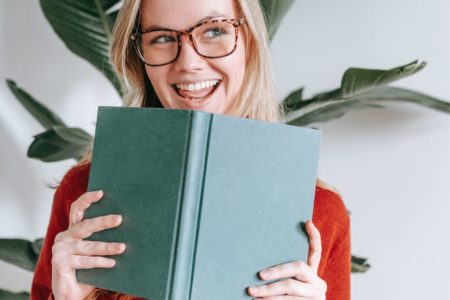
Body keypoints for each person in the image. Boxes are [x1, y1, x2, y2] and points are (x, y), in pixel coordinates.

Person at [31, 0, 351, 299]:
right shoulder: (85, 193)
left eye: (214, 31)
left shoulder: (320, 213)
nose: (189, 63)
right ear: (138, 55)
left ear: (250, 43)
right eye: (161, 38)